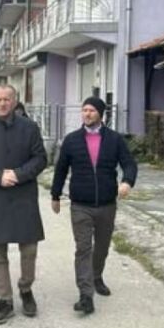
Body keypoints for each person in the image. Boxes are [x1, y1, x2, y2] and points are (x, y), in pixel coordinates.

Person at [50, 96, 138, 315]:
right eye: (84, 110)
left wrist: (127, 182)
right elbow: (61, 169)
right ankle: (85, 295)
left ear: (100, 113)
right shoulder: (72, 140)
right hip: (80, 204)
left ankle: (96, 276)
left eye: (91, 110)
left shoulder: (114, 140)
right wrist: (55, 195)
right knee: (83, 248)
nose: (87, 114)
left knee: (102, 247)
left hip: (107, 204)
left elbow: (129, 163)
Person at [0, 84, 47, 324]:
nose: (3, 103)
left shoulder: (30, 128)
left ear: (14, 101)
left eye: (7, 99)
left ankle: (26, 288)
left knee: (29, 249)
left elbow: (40, 158)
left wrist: (18, 174)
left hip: (23, 195)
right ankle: (5, 300)